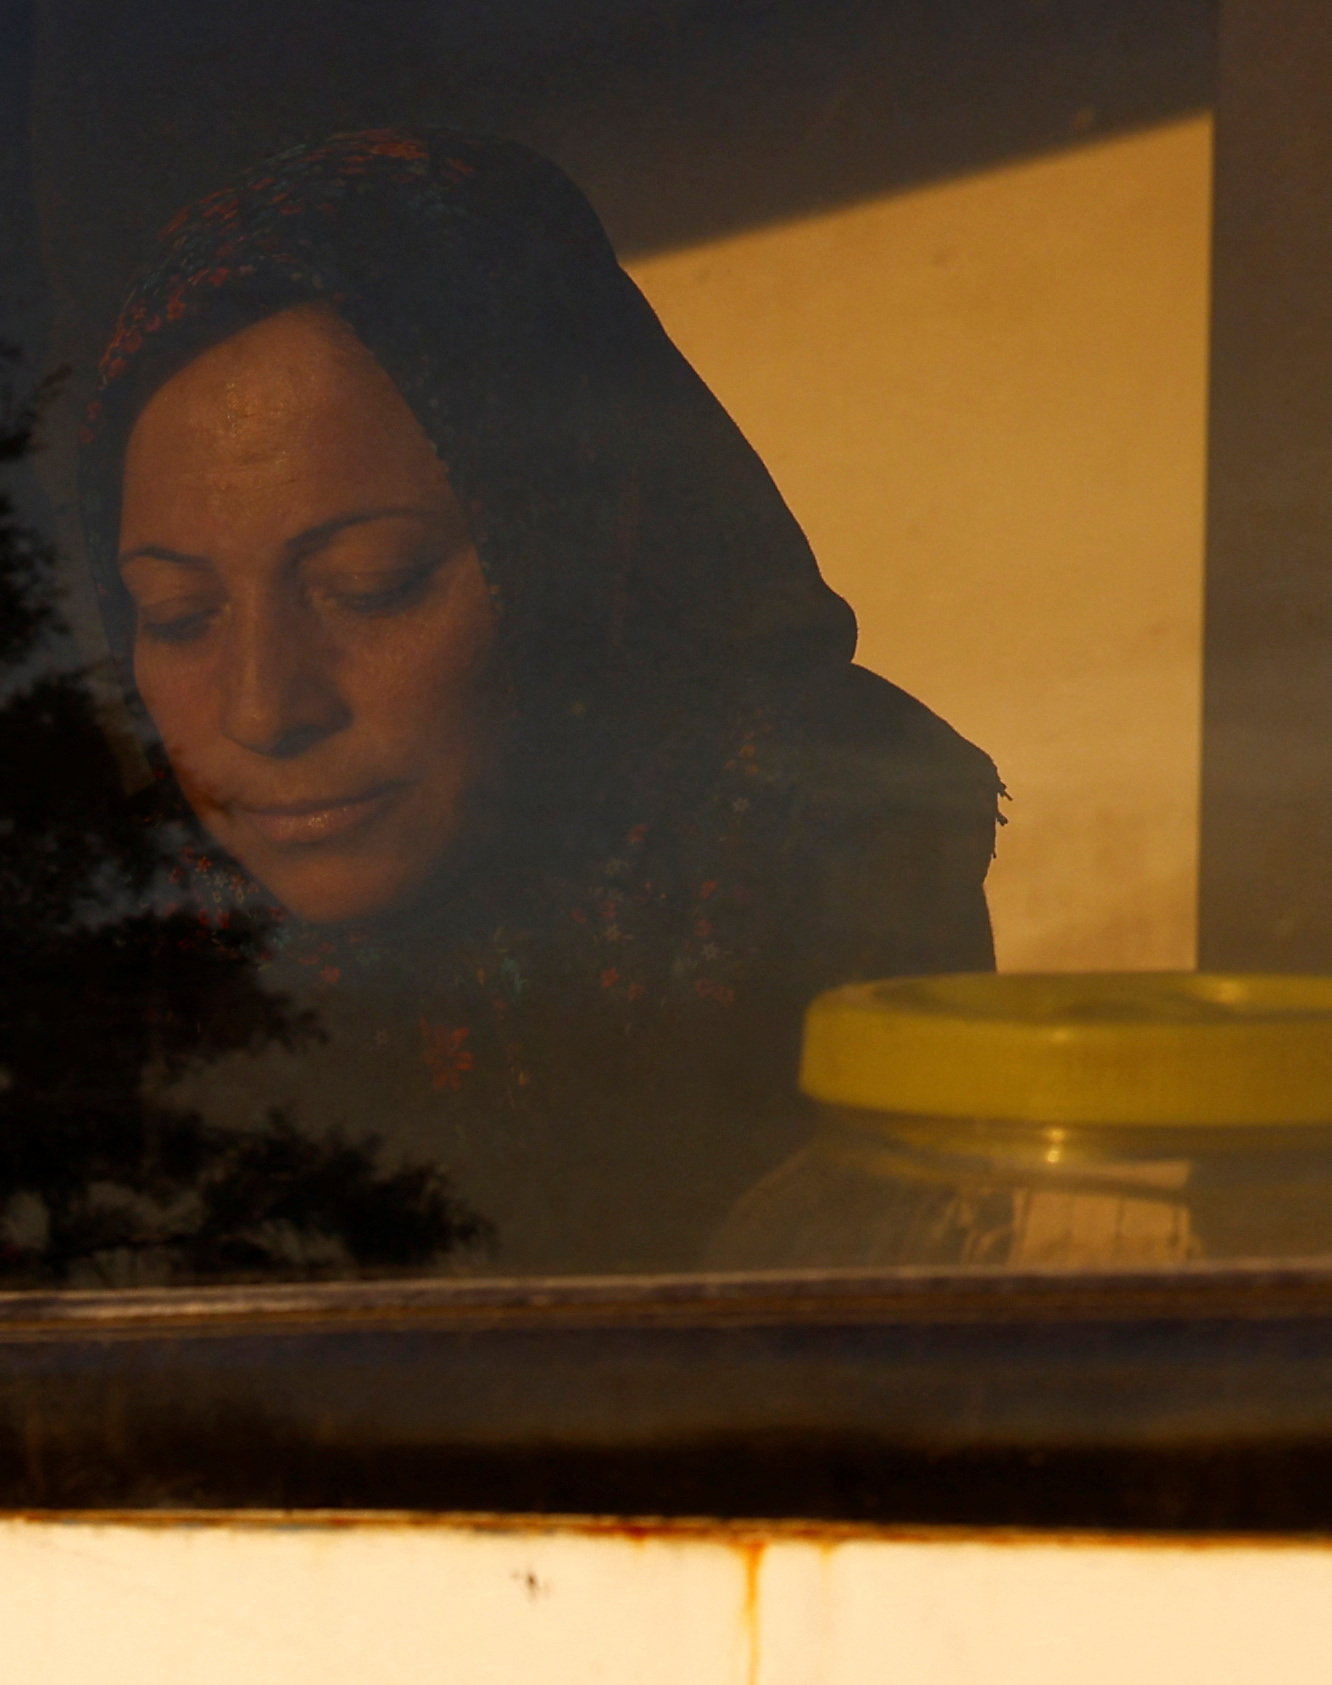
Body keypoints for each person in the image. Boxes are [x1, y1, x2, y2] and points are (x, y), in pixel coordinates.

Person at [75, 126, 1002, 1272]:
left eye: (371, 585)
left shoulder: (814, 847)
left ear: (575, 547)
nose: (264, 709)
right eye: (177, 615)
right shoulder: (68, 969)